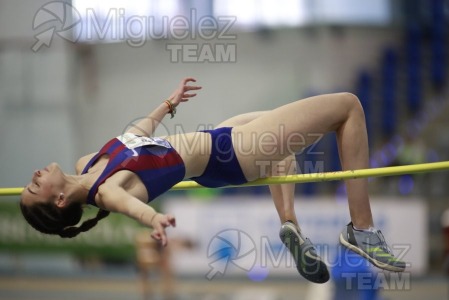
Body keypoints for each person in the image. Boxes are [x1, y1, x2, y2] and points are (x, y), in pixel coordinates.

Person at [20, 78, 406, 284]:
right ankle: (362, 228)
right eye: (35, 187)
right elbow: (132, 207)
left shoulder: (87, 163)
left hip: (216, 144)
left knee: (283, 152)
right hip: (233, 152)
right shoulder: (105, 191)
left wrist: (167, 105)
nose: (35, 176)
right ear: (57, 202)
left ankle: (290, 225)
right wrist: (155, 220)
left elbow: (131, 139)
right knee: (348, 106)